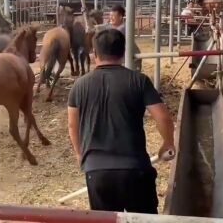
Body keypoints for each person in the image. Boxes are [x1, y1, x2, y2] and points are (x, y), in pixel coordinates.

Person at [67, 29, 175, 213]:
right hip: (135, 168)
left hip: (97, 171)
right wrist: (168, 142)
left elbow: (72, 125)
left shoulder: (79, 85)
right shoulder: (139, 81)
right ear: (123, 53)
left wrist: (80, 154)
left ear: (94, 54)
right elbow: (163, 118)